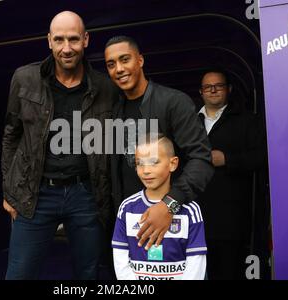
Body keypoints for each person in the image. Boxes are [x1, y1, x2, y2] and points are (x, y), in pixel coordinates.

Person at [1, 11, 117, 279]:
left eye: (74, 39)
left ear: (86, 40)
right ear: (49, 41)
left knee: (87, 274)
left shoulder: (105, 87)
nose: (67, 48)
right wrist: (9, 190)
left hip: (85, 195)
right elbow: (11, 135)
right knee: (19, 274)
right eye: (60, 40)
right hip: (35, 193)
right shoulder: (24, 78)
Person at [104, 36, 213, 251]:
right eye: (111, 64)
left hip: (170, 221)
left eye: (125, 59)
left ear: (140, 60)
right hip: (128, 222)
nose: (119, 69)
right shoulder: (112, 109)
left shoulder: (173, 102)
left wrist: (169, 205)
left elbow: (202, 160)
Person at [197, 69, 266, 280]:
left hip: (231, 218)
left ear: (229, 89)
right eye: (208, 87)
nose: (213, 90)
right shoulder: (189, 121)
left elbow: (262, 157)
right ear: (201, 92)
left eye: (218, 85)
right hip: (196, 216)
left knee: (229, 271)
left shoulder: (247, 120)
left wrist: (228, 159)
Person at [112, 134, 207, 280]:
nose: (146, 170)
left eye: (154, 162)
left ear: (173, 164)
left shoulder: (190, 210)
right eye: (139, 163)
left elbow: (196, 262)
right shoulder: (127, 207)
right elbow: (120, 257)